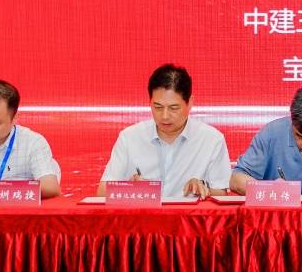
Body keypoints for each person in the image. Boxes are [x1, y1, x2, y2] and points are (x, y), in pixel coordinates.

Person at [98, 64, 231, 199]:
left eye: (173, 108)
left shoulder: (212, 140)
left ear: (190, 103)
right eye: (158, 107)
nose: (165, 116)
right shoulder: (129, 137)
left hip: (188, 213)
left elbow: (222, 195)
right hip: (143, 213)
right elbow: (101, 193)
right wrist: (129, 188)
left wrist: (203, 188)